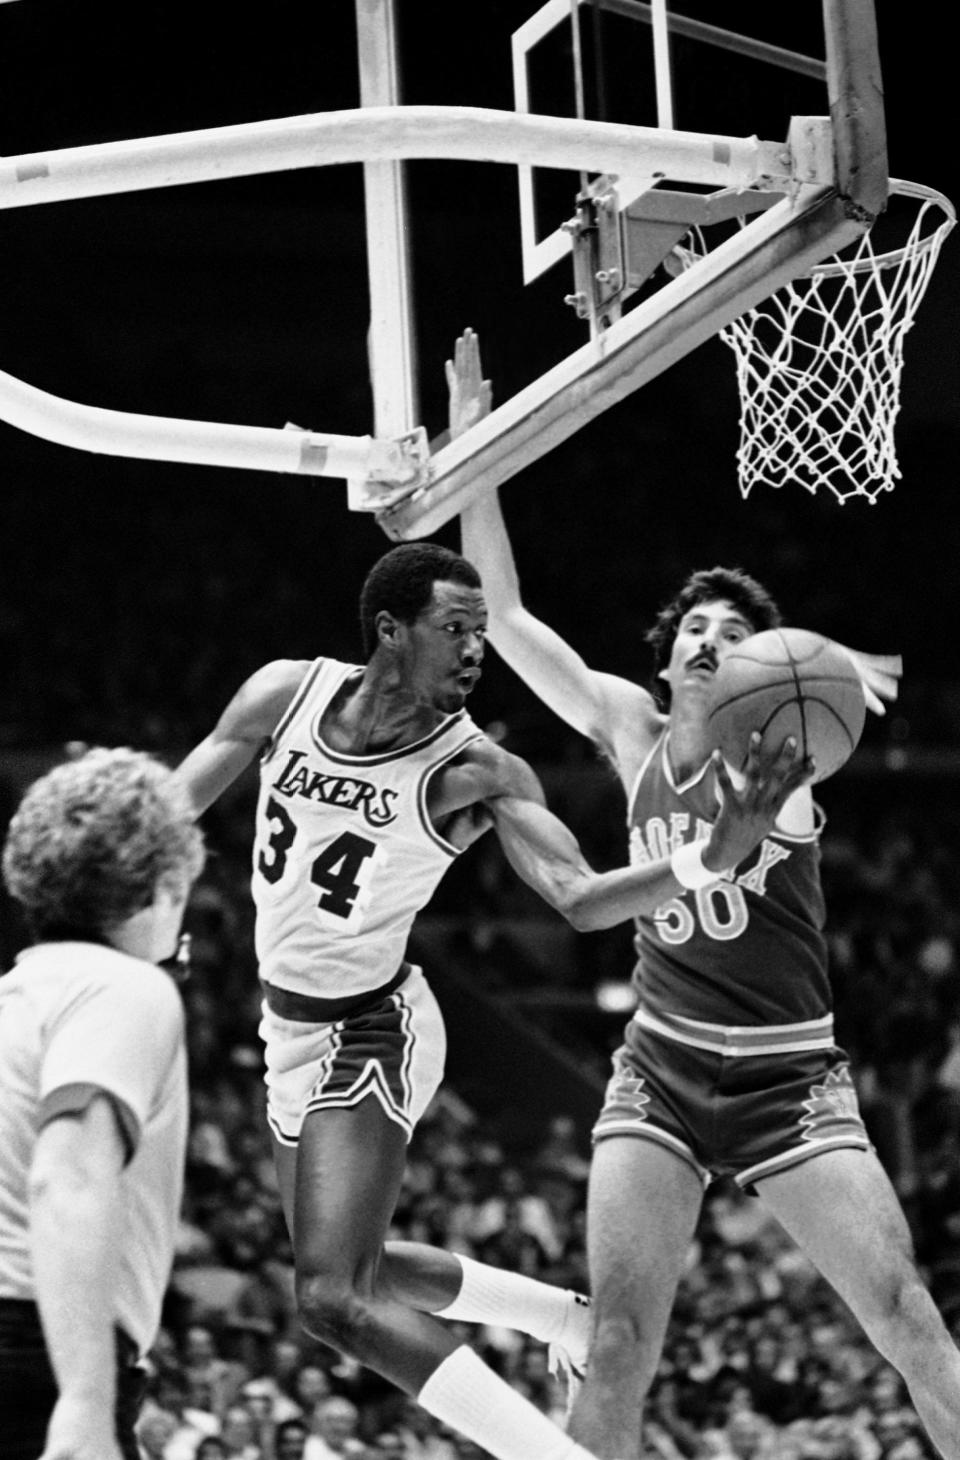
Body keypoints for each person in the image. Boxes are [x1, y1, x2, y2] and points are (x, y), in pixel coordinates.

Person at [172, 521, 810, 1460]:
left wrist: (708, 858)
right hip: (287, 1029)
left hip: (375, 1026)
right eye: (456, 631)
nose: (477, 652)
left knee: (329, 1302)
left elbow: (580, 901)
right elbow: (172, 808)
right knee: (359, 1269)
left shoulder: (475, 767)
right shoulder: (284, 691)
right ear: (391, 630)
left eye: (481, 634)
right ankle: (564, 1318)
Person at [454, 324, 960, 1460]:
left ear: (760, 669)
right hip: (664, 1063)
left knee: (905, 1314)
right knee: (622, 1335)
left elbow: (743, 835)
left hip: (790, 1072)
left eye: (738, 634)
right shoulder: (627, 725)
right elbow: (506, 615)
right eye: (696, 626)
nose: (711, 639)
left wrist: (819, 666)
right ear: (669, 651)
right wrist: (477, 457)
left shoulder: (779, 761)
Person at [0, 746, 205, 1460]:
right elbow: (69, 1177)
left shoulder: (15, 998)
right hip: (36, 1353)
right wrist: (86, 1406)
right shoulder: (124, 987)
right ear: (166, 880)